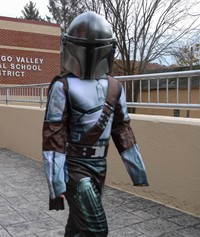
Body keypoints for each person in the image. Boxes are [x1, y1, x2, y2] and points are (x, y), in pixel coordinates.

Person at [42, 11, 149, 237]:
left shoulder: (115, 87)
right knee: (96, 228)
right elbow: (54, 137)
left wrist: (137, 171)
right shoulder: (62, 87)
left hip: (100, 165)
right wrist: (56, 183)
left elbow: (122, 128)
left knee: (77, 225)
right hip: (75, 167)